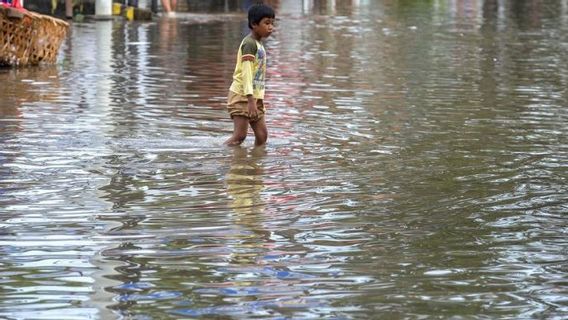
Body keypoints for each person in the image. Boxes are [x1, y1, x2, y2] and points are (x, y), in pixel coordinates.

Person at [224, 4, 275, 147]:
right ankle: (219, 155)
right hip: (242, 95)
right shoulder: (249, 44)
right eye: (266, 23)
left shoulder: (258, 44)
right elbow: (246, 74)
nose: (270, 27)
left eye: (272, 23)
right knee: (239, 136)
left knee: (262, 136)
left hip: (255, 97)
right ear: (254, 24)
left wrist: (256, 99)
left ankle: (255, 164)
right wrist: (250, 99)